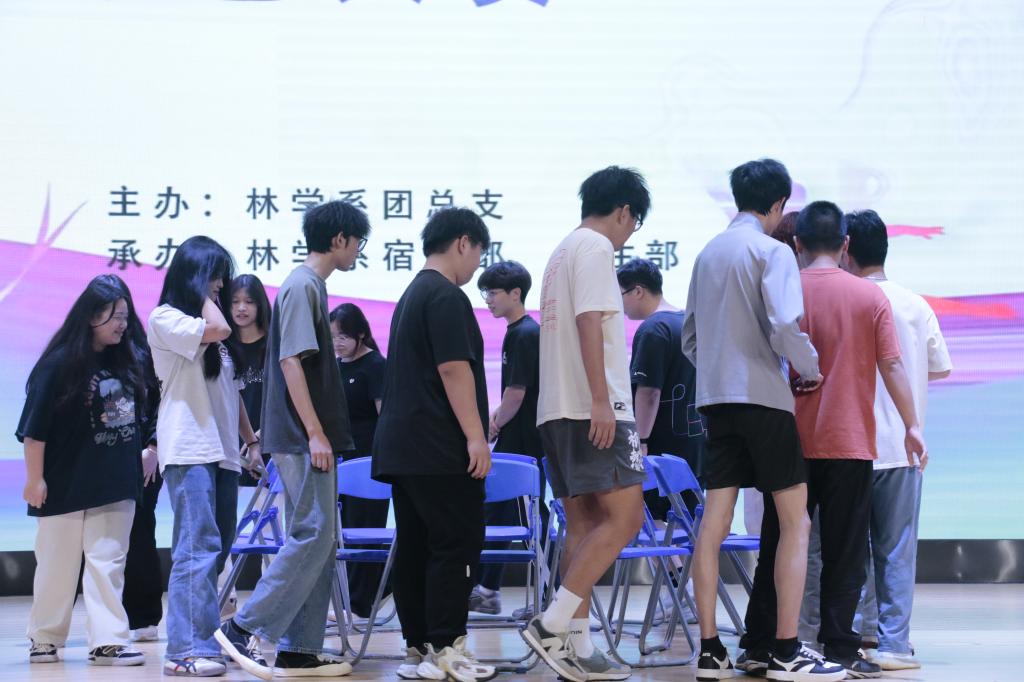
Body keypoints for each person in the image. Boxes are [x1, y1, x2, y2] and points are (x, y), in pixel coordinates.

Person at [681, 159, 845, 682]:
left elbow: (690, 338)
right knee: (796, 522)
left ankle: (710, 652)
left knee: (713, 524)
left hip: (715, 401)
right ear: (777, 205)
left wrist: (719, 371)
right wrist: (809, 368)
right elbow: (784, 324)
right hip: (764, 400)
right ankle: (787, 651)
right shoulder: (772, 251)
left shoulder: (708, 253)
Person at [216, 201, 369, 680]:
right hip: (303, 437)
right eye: (358, 241)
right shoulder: (303, 285)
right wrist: (316, 432)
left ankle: (300, 649)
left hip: (307, 436)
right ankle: (243, 626)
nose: (358, 250)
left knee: (320, 538)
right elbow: (290, 362)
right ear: (340, 239)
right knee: (313, 532)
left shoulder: (309, 285)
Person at [784, 201, 926, 678]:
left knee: (794, 545)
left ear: (797, 243)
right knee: (847, 553)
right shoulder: (870, 297)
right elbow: (892, 364)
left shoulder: (785, 289)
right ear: (844, 244)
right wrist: (912, 424)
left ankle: (789, 642)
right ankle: (841, 649)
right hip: (850, 442)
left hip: (791, 441)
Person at [520, 166, 650, 682]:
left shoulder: (561, 250)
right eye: (634, 223)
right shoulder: (596, 248)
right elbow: (589, 321)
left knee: (583, 525)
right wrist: (602, 400)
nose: (629, 233)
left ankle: (577, 645)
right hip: (594, 406)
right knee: (626, 518)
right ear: (624, 211)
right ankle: (552, 624)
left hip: (555, 408)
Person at [372, 207, 497, 682]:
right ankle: (448, 648)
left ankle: (419, 648)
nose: (476, 266)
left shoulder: (411, 294)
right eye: (478, 253)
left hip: (405, 449)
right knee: (455, 543)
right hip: (439, 447)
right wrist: (475, 437)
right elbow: (453, 368)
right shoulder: (446, 295)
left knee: (416, 545)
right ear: (464, 242)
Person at [18, 274, 150, 667]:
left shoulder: (131, 361)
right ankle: (45, 637)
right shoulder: (59, 364)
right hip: (65, 482)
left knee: (108, 563)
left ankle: (108, 641)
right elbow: (34, 431)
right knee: (57, 565)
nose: (122, 324)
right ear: (91, 316)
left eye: (125, 316)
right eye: (114, 316)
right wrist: (34, 479)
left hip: (116, 481)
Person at [149, 236, 261, 677]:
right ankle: (184, 650)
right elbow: (220, 329)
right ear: (194, 276)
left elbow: (231, 394)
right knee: (197, 548)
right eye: (214, 275)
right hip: (189, 447)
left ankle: (205, 639)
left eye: (221, 276)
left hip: (224, 452)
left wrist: (251, 443)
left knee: (216, 550)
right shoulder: (167, 318)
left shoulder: (212, 332)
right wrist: (203, 295)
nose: (220, 285)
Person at [844, 210, 951, 670]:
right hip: (903, 448)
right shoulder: (914, 304)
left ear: (846, 248)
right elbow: (940, 367)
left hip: (849, 446)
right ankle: (893, 644)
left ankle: (854, 635)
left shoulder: (846, 300)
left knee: (849, 551)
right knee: (897, 552)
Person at [471, 260, 546, 617]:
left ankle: (551, 597)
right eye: (485, 292)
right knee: (500, 512)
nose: (488, 299)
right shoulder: (519, 332)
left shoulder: (525, 334)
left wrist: (493, 425)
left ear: (516, 293)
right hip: (518, 437)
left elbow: (517, 393)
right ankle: (487, 590)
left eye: (493, 292)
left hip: (525, 440)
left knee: (531, 518)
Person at [617, 257, 705, 517]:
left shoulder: (653, 330)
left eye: (620, 296)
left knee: (657, 522)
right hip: (695, 443)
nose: (619, 305)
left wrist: (641, 441)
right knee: (688, 522)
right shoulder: (688, 322)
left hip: (662, 448)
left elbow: (648, 393)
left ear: (638, 291)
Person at [330, 301, 390, 619]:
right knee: (346, 531)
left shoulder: (376, 365)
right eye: (332, 337)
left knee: (367, 529)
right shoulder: (336, 366)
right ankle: (353, 600)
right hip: (341, 461)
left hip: (369, 461)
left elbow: (385, 417)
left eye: (343, 337)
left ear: (361, 335)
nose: (337, 343)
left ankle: (360, 602)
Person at [121, 315, 163, 644]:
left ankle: (144, 616)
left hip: (145, 457)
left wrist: (153, 446)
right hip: (103, 459)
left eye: (120, 314)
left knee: (140, 532)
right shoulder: (84, 357)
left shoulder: (146, 353)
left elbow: (165, 400)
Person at [227, 273, 272, 486]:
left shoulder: (275, 345)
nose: (241, 308)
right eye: (235, 302)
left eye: (249, 301)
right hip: (230, 446)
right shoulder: (222, 346)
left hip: (270, 440)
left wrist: (262, 434)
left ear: (260, 304)